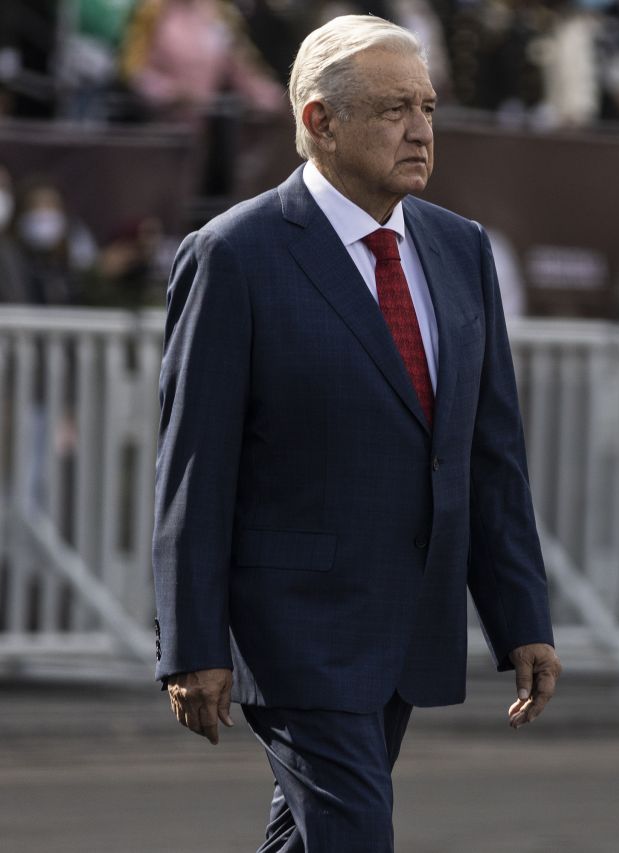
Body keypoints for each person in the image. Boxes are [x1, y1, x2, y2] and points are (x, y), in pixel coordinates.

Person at [152, 15, 562, 852]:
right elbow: (195, 467)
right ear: (318, 122)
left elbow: (489, 453)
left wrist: (523, 614)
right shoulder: (235, 253)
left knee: (310, 835)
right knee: (352, 830)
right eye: (391, 109)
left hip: (411, 618)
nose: (419, 129)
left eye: (427, 106)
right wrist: (191, 642)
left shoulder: (459, 248)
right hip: (294, 625)